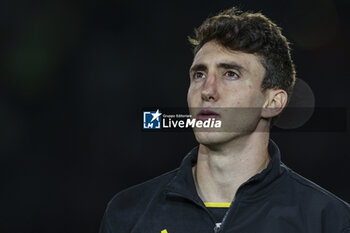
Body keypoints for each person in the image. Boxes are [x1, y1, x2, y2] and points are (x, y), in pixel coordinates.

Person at [99, 7, 350, 233]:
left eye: (230, 74)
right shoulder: (128, 213)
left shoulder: (326, 220)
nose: (207, 90)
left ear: (273, 103)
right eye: (199, 74)